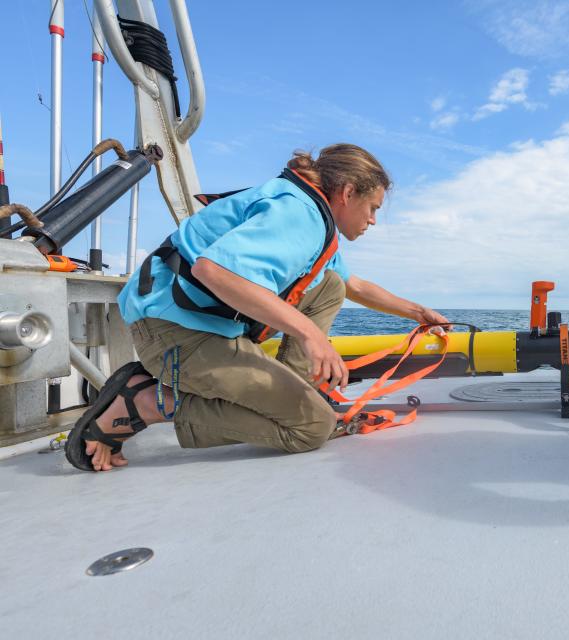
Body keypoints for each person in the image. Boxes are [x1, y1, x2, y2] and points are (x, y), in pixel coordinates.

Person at [66, 144, 449, 472]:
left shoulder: (309, 212)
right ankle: (145, 402)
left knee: (329, 285)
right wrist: (311, 334)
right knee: (312, 428)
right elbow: (212, 271)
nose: (373, 220)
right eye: (373, 207)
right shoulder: (299, 216)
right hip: (175, 335)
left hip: (186, 324)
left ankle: (294, 393)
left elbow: (351, 286)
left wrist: (417, 312)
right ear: (348, 192)